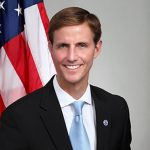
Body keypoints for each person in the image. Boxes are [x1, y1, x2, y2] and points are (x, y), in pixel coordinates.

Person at [0, 7, 131, 150]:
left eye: (82, 45)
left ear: (97, 49)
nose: (72, 57)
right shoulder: (18, 117)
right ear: (50, 48)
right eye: (63, 46)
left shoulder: (116, 109)